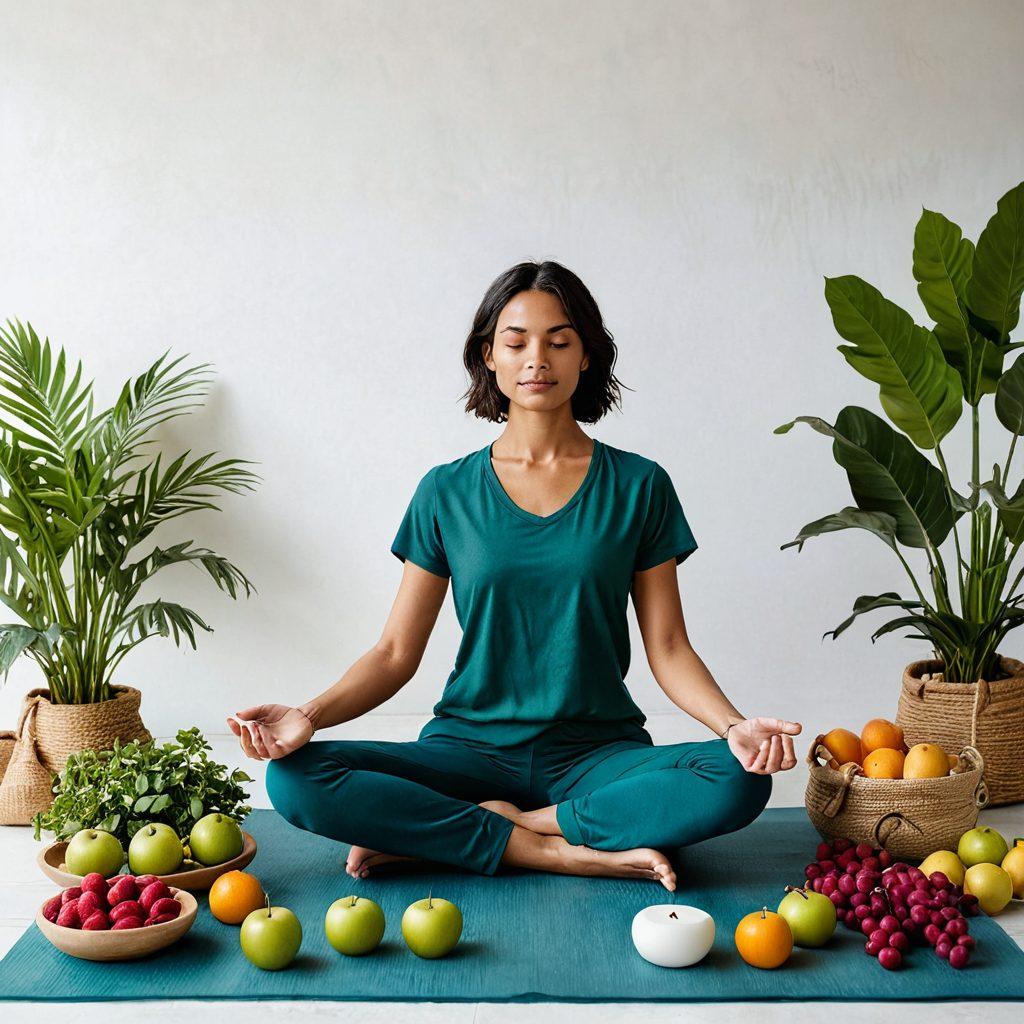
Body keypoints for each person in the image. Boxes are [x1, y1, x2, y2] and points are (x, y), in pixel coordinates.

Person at [229, 260, 801, 892]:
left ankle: (486, 829)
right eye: (517, 342)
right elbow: (394, 654)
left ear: (586, 356)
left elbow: (668, 648)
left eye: (559, 341)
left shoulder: (640, 485)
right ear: (489, 356)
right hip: (466, 752)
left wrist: (734, 729)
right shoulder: (445, 490)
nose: (537, 360)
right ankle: (562, 851)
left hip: (597, 754)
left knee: (739, 777)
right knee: (294, 777)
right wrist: (308, 715)